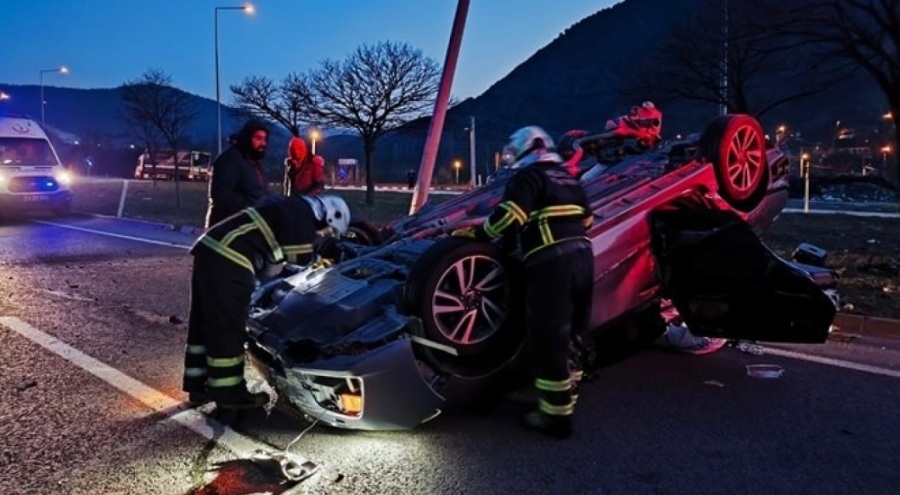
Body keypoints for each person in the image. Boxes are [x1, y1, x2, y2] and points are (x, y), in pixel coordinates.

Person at [452, 126, 594, 439]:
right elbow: (587, 220)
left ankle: (556, 417)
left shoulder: (527, 177)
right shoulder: (567, 176)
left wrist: (479, 235)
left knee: (549, 334)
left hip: (551, 261)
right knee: (575, 328)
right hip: (583, 257)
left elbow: (509, 217)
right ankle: (570, 389)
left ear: (525, 150)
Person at [182, 193, 352, 410]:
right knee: (229, 327)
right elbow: (298, 263)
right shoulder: (302, 216)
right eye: (328, 230)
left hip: (211, 249)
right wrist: (323, 262)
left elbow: (273, 261)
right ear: (328, 217)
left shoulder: (292, 206)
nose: (322, 234)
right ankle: (230, 394)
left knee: (204, 319)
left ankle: (198, 386)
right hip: (231, 258)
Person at [205, 119, 270, 228]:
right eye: (258, 138)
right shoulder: (229, 159)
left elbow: (258, 191)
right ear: (247, 138)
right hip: (227, 228)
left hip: (246, 226)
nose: (263, 143)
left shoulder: (253, 162)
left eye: (265, 139)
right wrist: (254, 206)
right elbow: (221, 195)